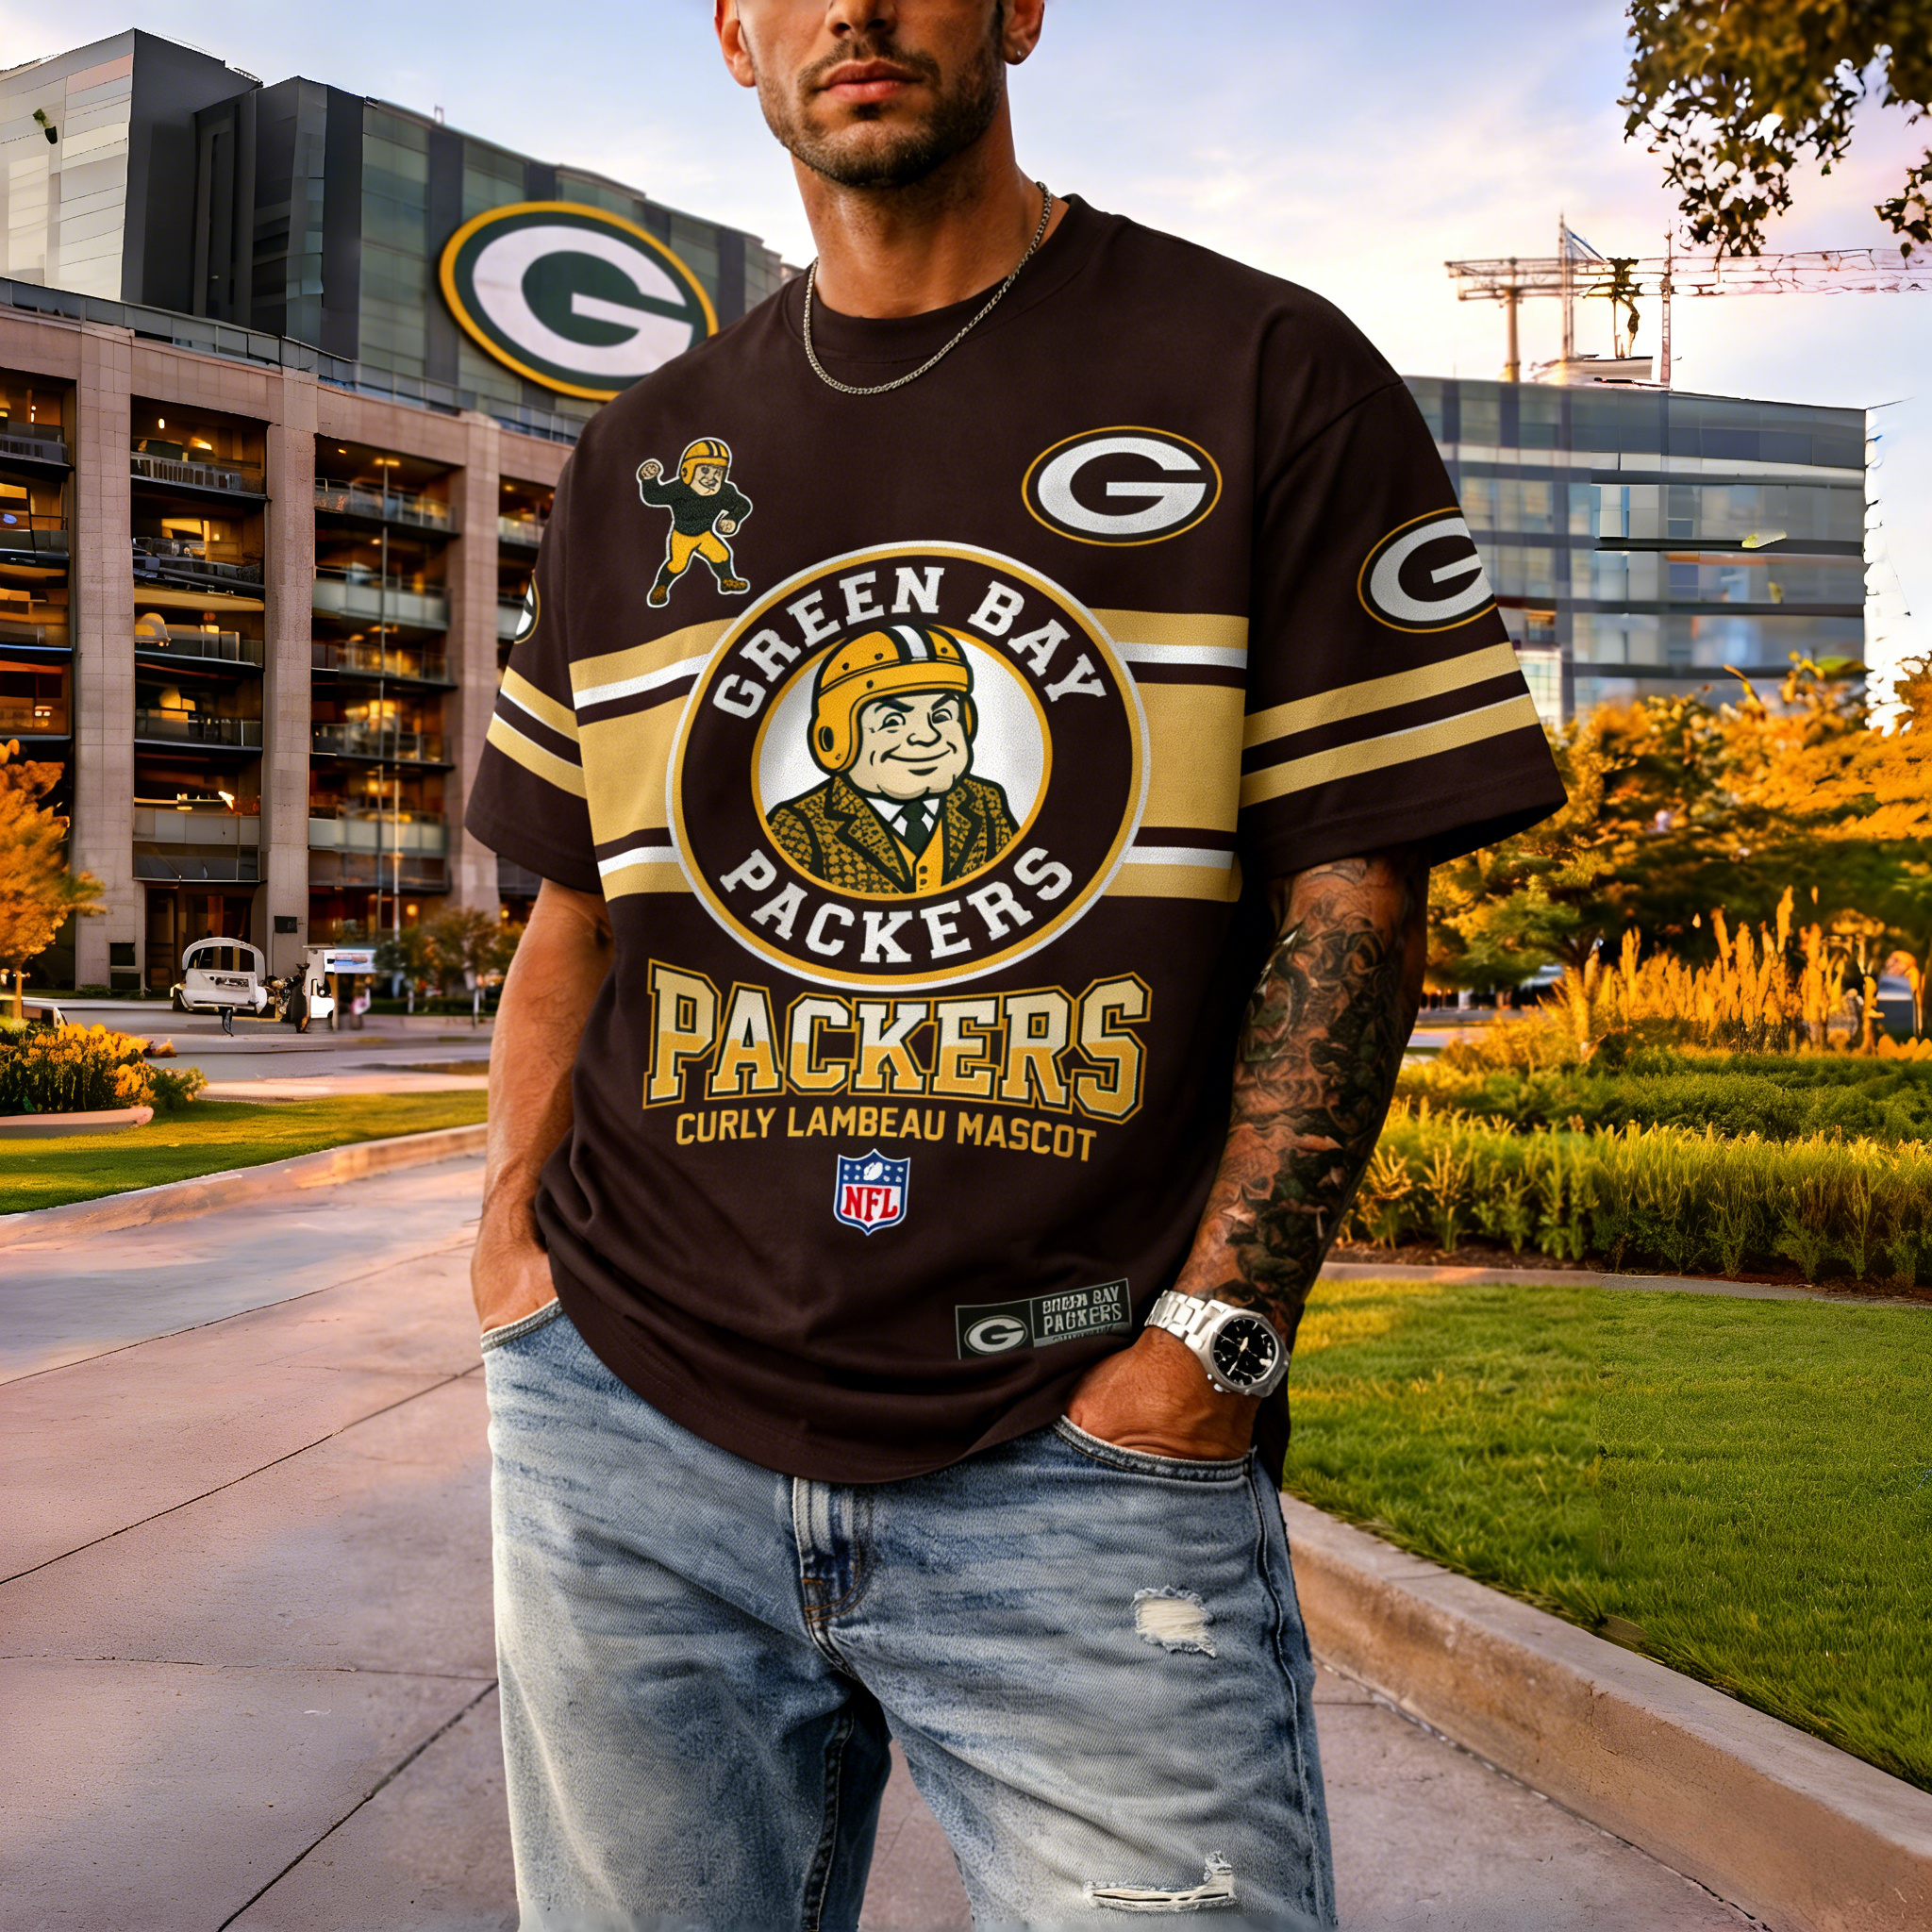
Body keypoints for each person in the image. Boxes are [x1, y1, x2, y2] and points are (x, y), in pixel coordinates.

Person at [465, 2, 1565, 1925]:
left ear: (1020, 9)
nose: (855, 12)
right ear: (731, 36)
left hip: (1077, 1450)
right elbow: (574, 905)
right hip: (626, 1424)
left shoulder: (1256, 367)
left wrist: (1211, 1343)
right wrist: (509, 1255)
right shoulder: (641, 456)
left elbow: (1352, 891)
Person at [767, 622, 1022, 893]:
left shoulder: (985, 803)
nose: (927, 736)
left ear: (966, 722)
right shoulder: (799, 827)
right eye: (893, 721)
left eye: (942, 715)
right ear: (835, 738)